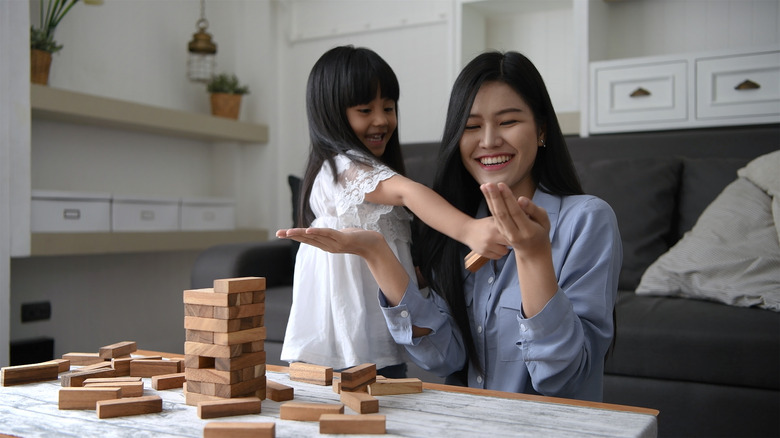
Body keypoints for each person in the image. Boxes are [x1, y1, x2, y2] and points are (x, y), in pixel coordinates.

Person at [277, 50, 622, 402]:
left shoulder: (587, 220)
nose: (488, 141)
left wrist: (533, 255)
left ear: (542, 129)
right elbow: (444, 358)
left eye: (507, 122)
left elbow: (562, 378)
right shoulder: (452, 225)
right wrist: (376, 252)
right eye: (471, 127)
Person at [280, 46, 507, 378]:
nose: (382, 120)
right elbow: (407, 191)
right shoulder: (343, 169)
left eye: (388, 107)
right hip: (347, 335)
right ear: (330, 113)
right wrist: (469, 230)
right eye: (365, 109)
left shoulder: (363, 171)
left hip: (377, 327)